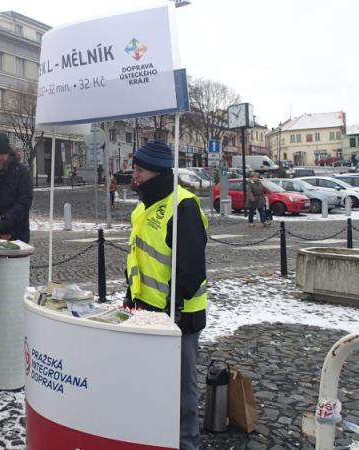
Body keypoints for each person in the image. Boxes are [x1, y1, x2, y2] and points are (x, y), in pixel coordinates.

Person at [123, 141, 208, 450]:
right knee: (152, 383)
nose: (134, 176)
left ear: (157, 173)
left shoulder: (183, 205)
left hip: (180, 315)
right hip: (146, 310)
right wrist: (130, 295)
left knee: (182, 389)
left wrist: (175, 306)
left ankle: (186, 444)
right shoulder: (143, 206)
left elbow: (191, 267)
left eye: (139, 170)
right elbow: (138, 257)